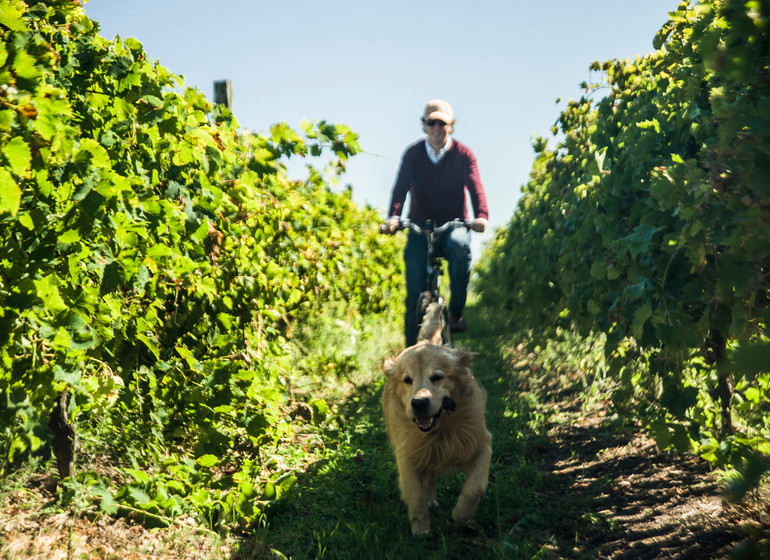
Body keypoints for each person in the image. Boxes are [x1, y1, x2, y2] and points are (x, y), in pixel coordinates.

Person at [382, 99, 488, 347]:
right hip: (420, 226)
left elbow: (475, 187)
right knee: (413, 295)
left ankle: (458, 311)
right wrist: (393, 218)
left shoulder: (463, 155)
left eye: (442, 123)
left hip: (453, 224)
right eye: (432, 123)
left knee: (460, 247)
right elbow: (400, 188)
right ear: (424, 126)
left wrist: (481, 216)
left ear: (451, 126)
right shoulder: (413, 154)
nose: (437, 128)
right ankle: (409, 356)